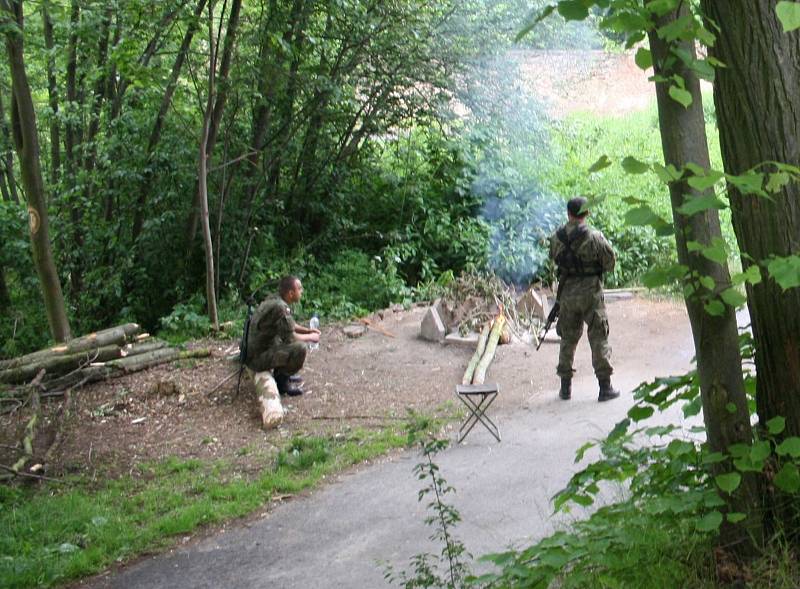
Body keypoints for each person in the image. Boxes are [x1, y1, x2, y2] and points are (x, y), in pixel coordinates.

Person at [549, 197, 620, 402]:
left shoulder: (556, 238)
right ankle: (605, 388)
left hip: (567, 295)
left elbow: (554, 260)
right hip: (591, 294)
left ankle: (565, 388)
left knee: (568, 338)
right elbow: (609, 263)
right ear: (586, 213)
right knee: (598, 337)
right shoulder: (595, 237)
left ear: (568, 213)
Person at [245, 275, 321, 396]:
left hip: (255, 351)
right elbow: (292, 338)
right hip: (256, 359)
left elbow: (289, 325)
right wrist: (312, 338)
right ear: (291, 293)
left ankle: (283, 374)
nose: (302, 291)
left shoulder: (274, 299)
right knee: (300, 348)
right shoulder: (280, 307)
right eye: (299, 289)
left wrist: (307, 331)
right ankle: (282, 383)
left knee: (284, 341)